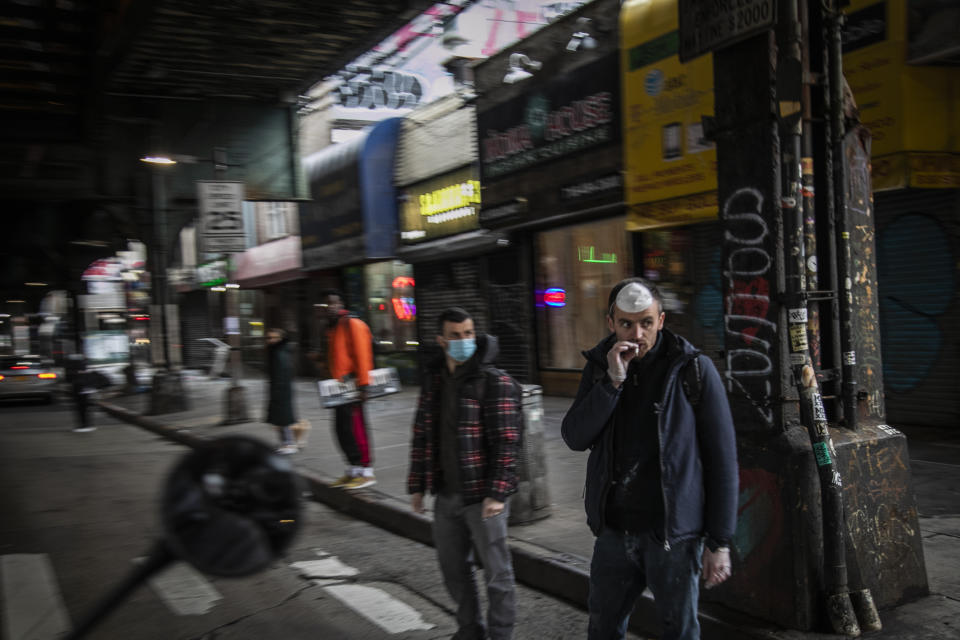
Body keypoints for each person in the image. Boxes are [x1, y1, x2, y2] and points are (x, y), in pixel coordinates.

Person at [561, 278, 739, 640]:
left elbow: (723, 461)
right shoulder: (599, 367)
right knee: (603, 628)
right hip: (613, 533)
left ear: (661, 319)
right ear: (611, 322)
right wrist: (612, 382)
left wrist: (719, 542)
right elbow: (575, 436)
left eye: (646, 322)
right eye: (626, 323)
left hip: (672, 537)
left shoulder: (693, 370)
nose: (637, 333)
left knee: (680, 631)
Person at [408, 307, 520, 640]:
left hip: (483, 497)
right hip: (446, 494)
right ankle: (470, 630)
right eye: (455, 335)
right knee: (453, 570)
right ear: (441, 341)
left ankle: (501, 635)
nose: (463, 341)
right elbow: (422, 434)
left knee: (497, 575)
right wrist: (417, 485)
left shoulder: (494, 381)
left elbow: (508, 441)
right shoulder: (434, 380)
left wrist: (497, 493)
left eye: (469, 333)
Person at [318, 290, 376, 489]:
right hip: (338, 390)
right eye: (326, 305)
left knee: (356, 428)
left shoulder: (352, 324)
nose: (330, 307)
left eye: (333, 303)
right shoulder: (331, 328)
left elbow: (362, 355)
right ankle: (353, 469)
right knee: (341, 430)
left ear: (341, 303)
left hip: (353, 387)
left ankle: (366, 472)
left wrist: (364, 385)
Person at [265, 328, 298, 455]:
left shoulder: (280, 353)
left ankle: (289, 444)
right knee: (280, 420)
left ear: (280, 339)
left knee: (283, 420)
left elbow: (281, 374)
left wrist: (277, 392)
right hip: (279, 390)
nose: (270, 340)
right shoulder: (276, 351)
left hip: (281, 391)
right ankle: (285, 443)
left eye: (273, 338)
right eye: (268, 338)